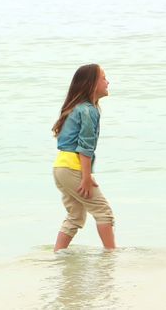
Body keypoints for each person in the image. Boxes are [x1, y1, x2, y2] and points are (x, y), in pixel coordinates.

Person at [51, 64, 116, 252]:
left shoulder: (77, 108)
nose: (108, 82)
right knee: (103, 211)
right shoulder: (88, 110)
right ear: (92, 84)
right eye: (103, 78)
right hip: (73, 167)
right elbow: (85, 147)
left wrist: (85, 174)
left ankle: (58, 255)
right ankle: (111, 256)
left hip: (61, 168)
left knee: (76, 215)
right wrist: (86, 177)